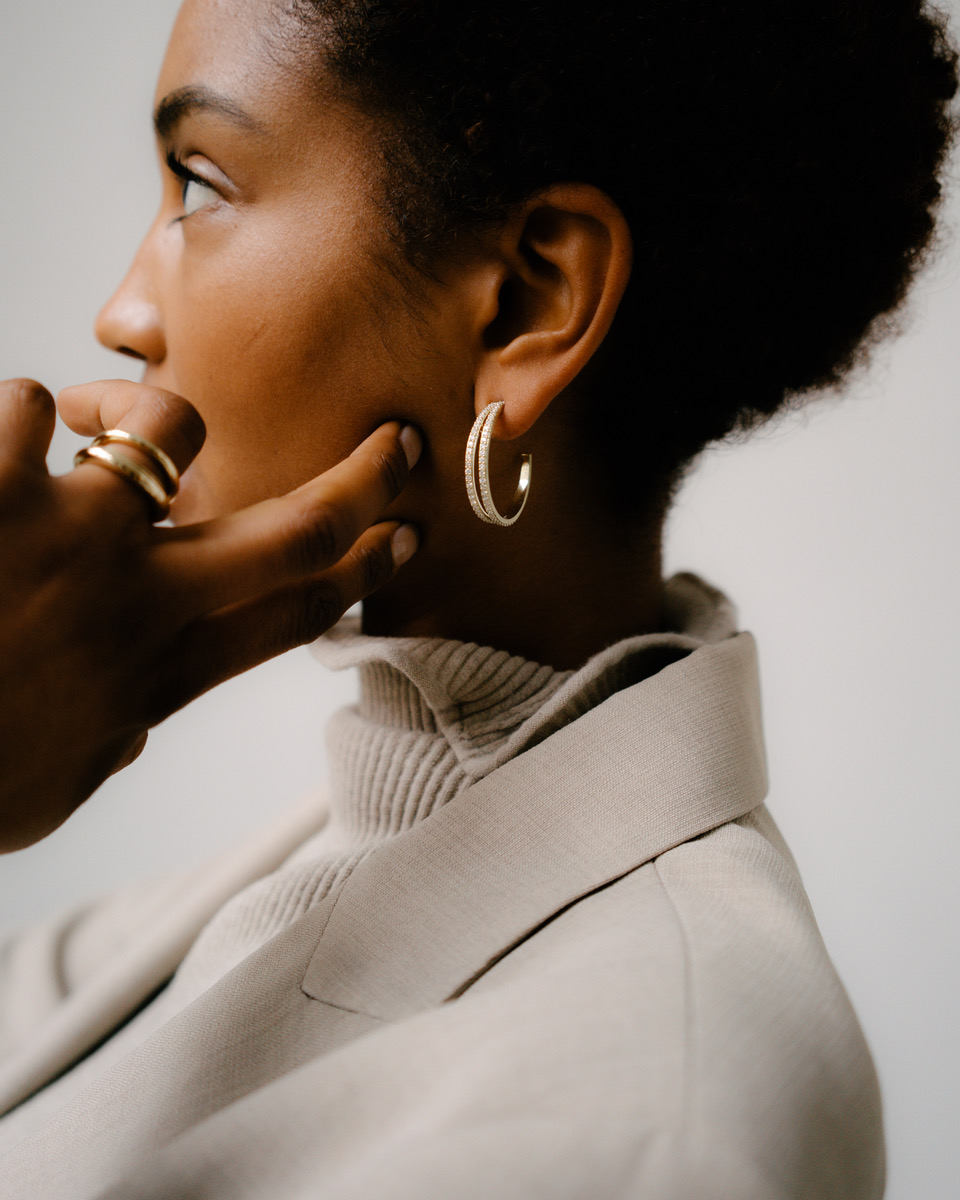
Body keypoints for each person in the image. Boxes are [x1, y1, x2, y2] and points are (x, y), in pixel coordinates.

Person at [0, 0, 956, 1196]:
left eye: (200, 184)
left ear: (527, 301)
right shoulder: (258, 889)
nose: (122, 315)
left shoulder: (641, 1136)